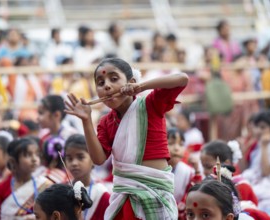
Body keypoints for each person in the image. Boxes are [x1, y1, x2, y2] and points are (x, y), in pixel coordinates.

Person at [65, 57, 188, 219]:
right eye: (100, 83)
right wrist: (86, 121)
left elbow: (182, 79)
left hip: (155, 194)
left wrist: (141, 87)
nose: (107, 85)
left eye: (114, 79)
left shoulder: (151, 104)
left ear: (131, 81)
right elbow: (98, 159)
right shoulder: (105, 122)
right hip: (124, 197)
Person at [0, 138, 53, 220]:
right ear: (13, 161)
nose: (34, 159)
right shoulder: (1, 189)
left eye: (37, 154)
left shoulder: (45, 185)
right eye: (28, 155)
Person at [65, 134, 110, 220]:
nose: (74, 163)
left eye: (80, 157)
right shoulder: (63, 190)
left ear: (93, 159)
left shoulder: (102, 195)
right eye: (69, 158)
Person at [200, 140, 258, 206]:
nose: (204, 172)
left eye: (208, 167)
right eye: (203, 167)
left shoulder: (241, 187)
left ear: (226, 163)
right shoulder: (212, 182)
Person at [167, 127, 201, 220]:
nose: (177, 148)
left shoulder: (188, 171)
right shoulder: (157, 169)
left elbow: (195, 194)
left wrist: (197, 170)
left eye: (181, 144)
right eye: (170, 143)